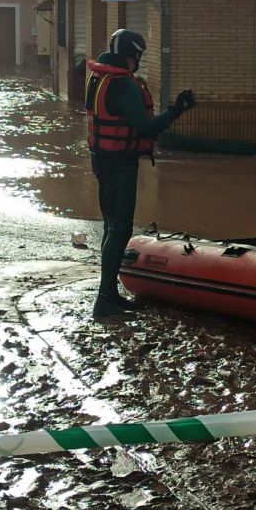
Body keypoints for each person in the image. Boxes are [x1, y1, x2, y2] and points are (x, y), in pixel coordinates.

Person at [85, 29, 196, 318]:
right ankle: (105, 300)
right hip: (120, 164)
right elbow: (144, 127)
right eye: (138, 56)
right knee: (119, 229)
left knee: (112, 227)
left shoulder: (99, 78)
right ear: (132, 54)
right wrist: (177, 110)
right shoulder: (123, 84)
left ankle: (109, 295)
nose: (138, 61)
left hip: (102, 161)